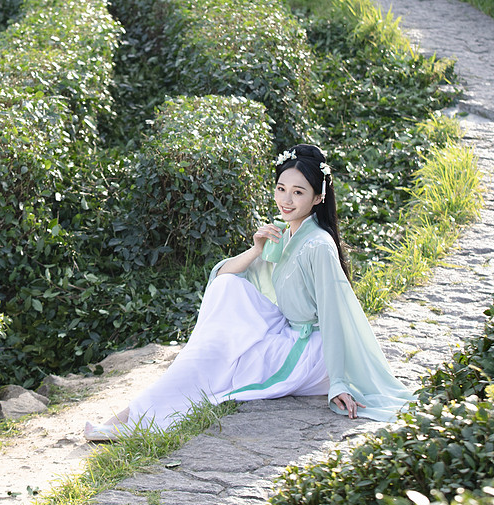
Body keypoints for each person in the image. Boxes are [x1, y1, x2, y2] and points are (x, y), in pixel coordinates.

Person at [84, 143, 414, 441]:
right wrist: (257, 249)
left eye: (298, 193)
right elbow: (223, 277)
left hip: (313, 351)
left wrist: (340, 383)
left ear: (318, 197)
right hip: (287, 334)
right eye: (281, 189)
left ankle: (132, 421)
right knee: (224, 306)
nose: (287, 199)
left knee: (216, 364)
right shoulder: (285, 233)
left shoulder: (318, 245)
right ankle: (127, 418)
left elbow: (335, 316)